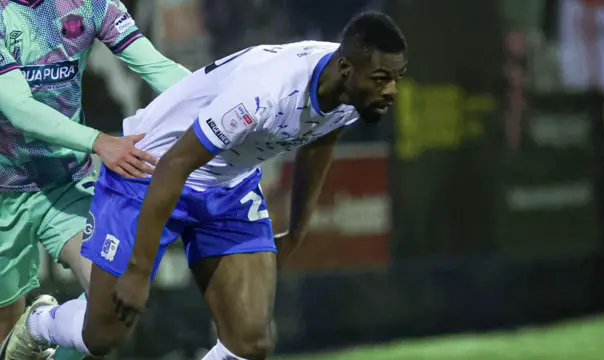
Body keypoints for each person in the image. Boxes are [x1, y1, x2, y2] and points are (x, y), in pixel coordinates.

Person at [1, 11, 407, 360]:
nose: (391, 90)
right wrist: (139, 273)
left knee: (251, 342)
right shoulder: (263, 93)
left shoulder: (355, 93)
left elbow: (319, 143)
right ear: (347, 68)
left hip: (229, 183)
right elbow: (175, 164)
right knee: (104, 335)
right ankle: (40, 324)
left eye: (397, 77)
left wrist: (297, 230)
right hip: (150, 168)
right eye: (383, 78)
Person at [0, 0, 190, 357]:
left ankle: (42, 324)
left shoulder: (93, 5)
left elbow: (159, 68)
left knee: (112, 309)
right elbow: (19, 110)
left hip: (65, 184)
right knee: (4, 336)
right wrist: (100, 142)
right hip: (2, 193)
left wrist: (223, 96)